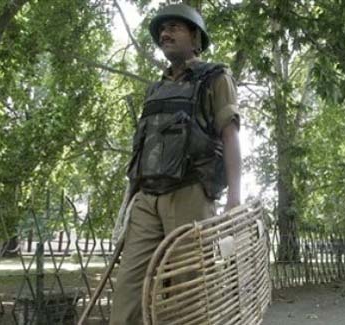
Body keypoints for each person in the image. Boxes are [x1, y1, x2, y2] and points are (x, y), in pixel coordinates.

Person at [109, 4, 241, 325]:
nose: (165, 34)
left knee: (189, 293)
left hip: (190, 195)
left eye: (174, 28)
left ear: (195, 37)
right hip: (145, 200)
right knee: (128, 289)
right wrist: (128, 203)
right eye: (162, 30)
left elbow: (230, 134)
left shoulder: (216, 78)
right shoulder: (155, 90)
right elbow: (141, 149)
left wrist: (235, 199)